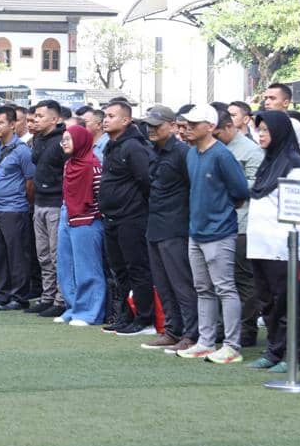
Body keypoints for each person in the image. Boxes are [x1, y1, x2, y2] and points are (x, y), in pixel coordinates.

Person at [242, 109, 300, 374]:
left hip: (285, 248)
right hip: (261, 246)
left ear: (280, 132)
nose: (261, 135)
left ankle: (294, 355)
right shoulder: (268, 163)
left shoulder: (296, 166)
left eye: (266, 130)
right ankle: (274, 351)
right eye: (259, 130)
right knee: (268, 303)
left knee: (288, 303)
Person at [176, 104, 252, 363]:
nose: (188, 128)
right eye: (188, 123)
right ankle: (206, 342)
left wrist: (220, 212)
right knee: (203, 289)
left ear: (210, 127)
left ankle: (231, 345)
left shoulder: (221, 155)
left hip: (219, 232)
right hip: (197, 231)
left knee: (224, 288)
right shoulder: (192, 154)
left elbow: (240, 190)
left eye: (194, 124)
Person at [139, 105, 197, 352]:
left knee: (182, 284)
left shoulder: (183, 153)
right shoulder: (152, 151)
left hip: (176, 227)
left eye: (157, 125)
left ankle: (191, 334)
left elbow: (194, 189)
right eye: (149, 125)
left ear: (172, 126)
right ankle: (172, 330)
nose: (151, 130)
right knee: (163, 284)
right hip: (155, 225)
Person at [99, 101, 155, 336]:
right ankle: (126, 315)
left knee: (137, 268)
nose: (106, 119)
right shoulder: (110, 145)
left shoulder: (133, 146)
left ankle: (144, 318)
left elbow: (146, 180)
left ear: (126, 120)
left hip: (132, 217)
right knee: (119, 270)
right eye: (105, 115)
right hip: (111, 217)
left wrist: (134, 205)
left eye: (111, 116)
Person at [215, 107, 264, 347]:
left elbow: (256, 185)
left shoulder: (250, 150)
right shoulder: (214, 148)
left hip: (242, 223)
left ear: (228, 126)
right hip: (219, 222)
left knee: (243, 279)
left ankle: (246, 330)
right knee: (220, 280)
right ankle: (223, 327)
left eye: (216, 132)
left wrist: (226, 185)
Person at [0, 105, 35, 310]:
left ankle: (19, 297)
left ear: (12, 125)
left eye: (0, 122)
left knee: (16, 254)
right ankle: (2, 294)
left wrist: (23, 202)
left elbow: (30, 181)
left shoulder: (22, 150)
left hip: (14, 209)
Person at [56, 124, 108, 326]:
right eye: (63, 140)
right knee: (66, 266)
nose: (64, 143)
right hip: (67, 215)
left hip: (87, 219)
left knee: (88, 268)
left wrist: (93, 215)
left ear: (80, 141)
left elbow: (99, 196)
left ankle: (89, 312)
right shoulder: (69, 164)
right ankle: (73, 307)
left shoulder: (93, 164)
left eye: (68, 139)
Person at [29, 100, 67, 317]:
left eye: (40, 116)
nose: (36, 120)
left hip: (55, 203)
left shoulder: (62, 140)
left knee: (56, 254)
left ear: (54, 119)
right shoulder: (38, 139)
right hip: (39, 202)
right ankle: (47, 296)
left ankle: (61, 300)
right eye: (35, 116)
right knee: (42, 254)